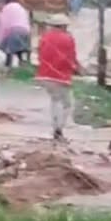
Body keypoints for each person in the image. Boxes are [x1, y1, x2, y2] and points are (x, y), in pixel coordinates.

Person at [36, 12, 81, 141]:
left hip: (44, 75)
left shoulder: (44, 37)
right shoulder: (68, 38)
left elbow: (40, 54)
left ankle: (55, 127)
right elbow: (71, 58)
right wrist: (77, 69)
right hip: (60, 76)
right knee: (68, 104)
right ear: (63, 26)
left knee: (55, 101)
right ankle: (59, 129)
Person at [0, 0, 31, 68]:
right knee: (21, 50)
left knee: (9, 52)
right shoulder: (21, 8)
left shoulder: (6, 8)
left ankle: (8, 67)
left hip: (15, 31)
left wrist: (0, 39)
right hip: (26, 31)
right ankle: (23, 66)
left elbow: (4, 24)